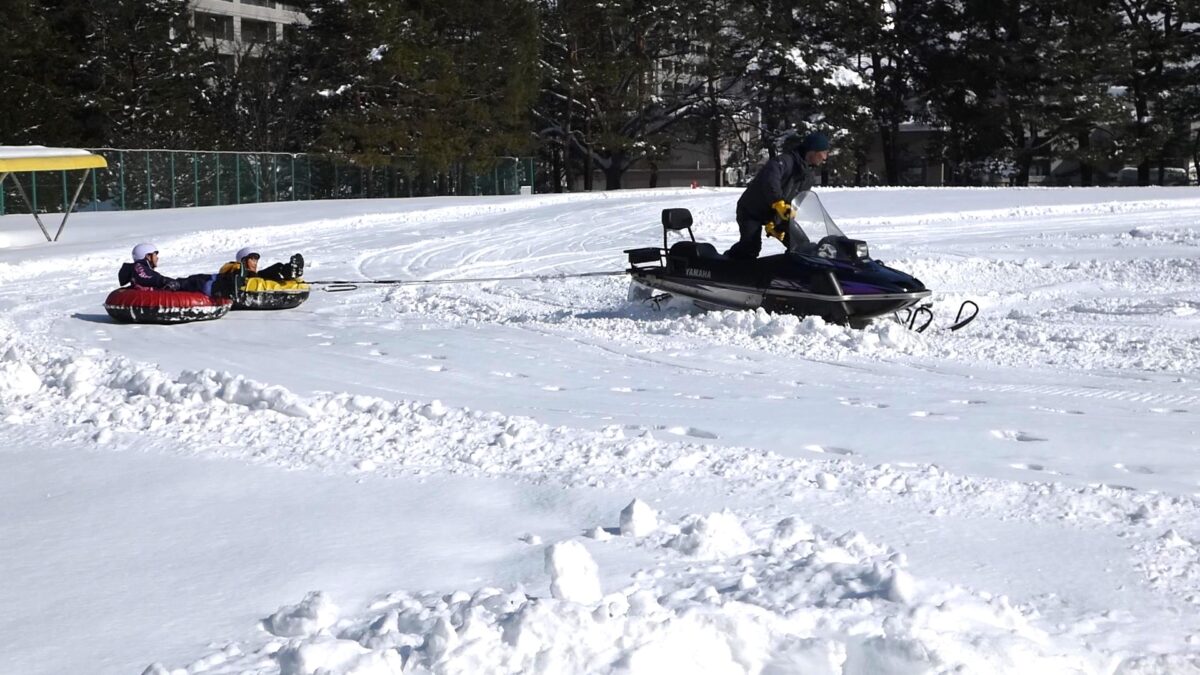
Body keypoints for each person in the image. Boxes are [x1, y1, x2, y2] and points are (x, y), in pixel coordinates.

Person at [725, 131, 831, 260]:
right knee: (750, 247)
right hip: (751, 210)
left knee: (802, 246)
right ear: (813, 151)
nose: (825, 157)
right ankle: (727, 265)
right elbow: (770, 181)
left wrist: (778, 222)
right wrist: (778, 202)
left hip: (777, 214)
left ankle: (795, 274)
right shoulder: (784, 162)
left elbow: (797, 201)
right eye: (824, 152)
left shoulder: (808, 176)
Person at [117, 243, 234, 297]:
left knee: (194, 278)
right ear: (147, 256)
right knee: (194, 282)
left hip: (162, 288)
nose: (157, 258)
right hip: (161, 291)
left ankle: (218, 279)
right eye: (155, 254)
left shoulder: (139, 268)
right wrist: (166, 282)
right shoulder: (139, 268)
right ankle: (222, 288)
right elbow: (150, 278)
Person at [218, 247, 304, 284]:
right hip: (248, 282)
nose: (255, 263)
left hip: (257, 279)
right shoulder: (236, 270)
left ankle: (292, 271)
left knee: (278, 267)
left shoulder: (257, 274)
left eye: (256, 260)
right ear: (243, 261)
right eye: (252, 259)